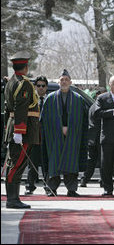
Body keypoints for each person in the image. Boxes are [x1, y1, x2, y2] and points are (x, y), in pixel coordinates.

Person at [40, 69, 88, 197]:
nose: (64, 82)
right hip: (54, 137)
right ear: (58, 82)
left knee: (71, 161)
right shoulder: (50, 99)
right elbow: (44, 119)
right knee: (54, 161)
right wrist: (59, 128)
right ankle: (51, 189)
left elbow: (83, 119)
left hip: (73, 136)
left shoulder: (78, 99)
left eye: (66, 80)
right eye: (62, 80)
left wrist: (70, 128)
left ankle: (71, 189)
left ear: (71, 82)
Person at [4, 51, 40, 208]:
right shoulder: (23, 83)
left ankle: (13, 198)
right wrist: (19, 131)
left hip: (16, 127)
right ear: (25, 67)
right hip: (23, 129)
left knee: (15, 162)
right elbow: (21, 107)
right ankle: (12, 199)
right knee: (17, 164)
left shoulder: (11, 81)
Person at [24, 76, 48, 195]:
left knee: (46, 163)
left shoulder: (50, 100)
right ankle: (30, 186)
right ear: (35, 87)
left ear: (46, 87)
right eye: (38, 85)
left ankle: (48, 186)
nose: (41, 88)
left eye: (43, 86)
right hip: (33, 136)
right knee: (32, 163)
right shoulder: (30, 100)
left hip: (46, 137)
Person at [79, 87, 107, 188]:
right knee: (100, 160)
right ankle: (101, 180)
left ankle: (85, 179)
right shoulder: (98, 107)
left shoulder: (93, 106)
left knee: (92, 160)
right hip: (97, 137)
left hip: (93, 137)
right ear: (97, 95)